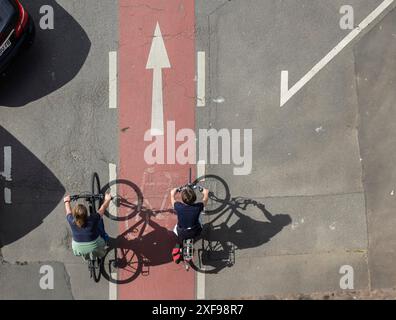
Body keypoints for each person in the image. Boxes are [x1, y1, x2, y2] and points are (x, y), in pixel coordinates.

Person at [63, 194, 112, 259]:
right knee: (100, 221)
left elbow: (68, 211)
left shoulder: (71, 220)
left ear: (74, 215)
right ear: (86, 214)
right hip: (95, 246)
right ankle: (105, 238)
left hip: (78, 248)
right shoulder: (93, 219)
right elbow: (103, 207)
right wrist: (107, 199)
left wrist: (66, 201)